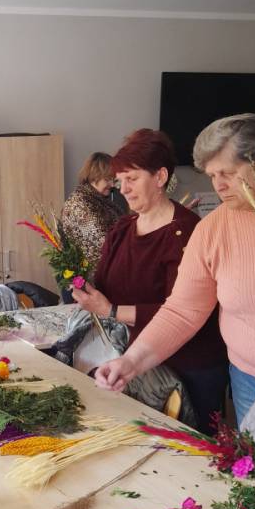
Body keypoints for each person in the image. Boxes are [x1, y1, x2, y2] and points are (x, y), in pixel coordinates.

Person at [95, 114, 255, 425]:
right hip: (253, 385)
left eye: (227, 173)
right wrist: (131, 362)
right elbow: (182, 311)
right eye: (212, 175)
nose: (218, 186)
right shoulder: (212, 230)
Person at [72, 129, 227, 430]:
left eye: (131, 179)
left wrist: (111, 311)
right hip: (137, 360)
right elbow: (106, 286)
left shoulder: (186, 232)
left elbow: (182, 310)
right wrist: (85, 290)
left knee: (190, 448)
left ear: (160, 177)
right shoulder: (123, 227)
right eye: (120, 181)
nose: (123, 189)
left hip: (189, 366)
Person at [60, 152, 123, 277]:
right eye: (108, 179)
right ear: (94, 176)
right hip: (90, 279)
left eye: (113, 179)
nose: (112, 185)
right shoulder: (80, 203)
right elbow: (103, 241)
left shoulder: (98, 199)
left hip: (105, 273)